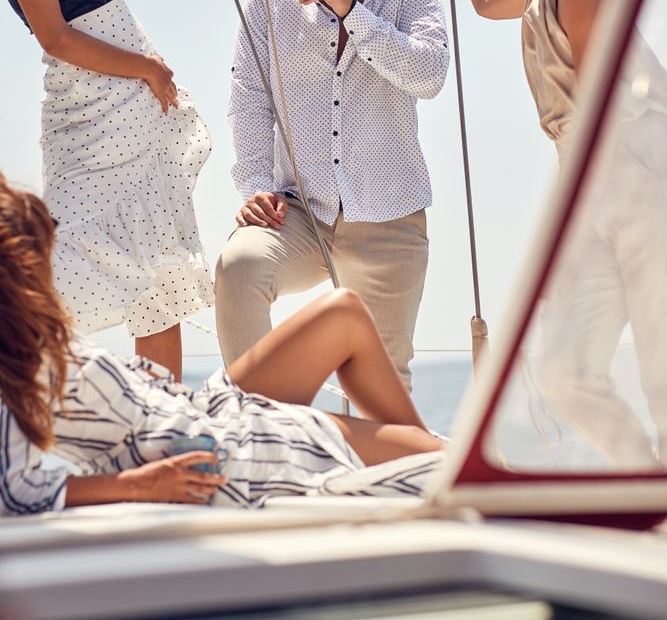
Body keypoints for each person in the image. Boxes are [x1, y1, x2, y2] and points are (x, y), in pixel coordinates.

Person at [431, 0, 666, 467]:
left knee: (661, 375)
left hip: (641, 189)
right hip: (595, 196)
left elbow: (605, 115)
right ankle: (645, 483)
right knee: (564, 373)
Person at [0, 174, 443, 516]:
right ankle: (435, 462)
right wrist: (143, 485)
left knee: (343, 313)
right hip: (209, 443)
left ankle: (419, 451)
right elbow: (13, 490)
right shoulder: (15, 360)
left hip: (201, 408)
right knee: (437, 460)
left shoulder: (26, 337)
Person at [0, 0, 213, 380]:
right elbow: (55, 36)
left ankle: (165, 421)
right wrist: (146, 67)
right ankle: (23, 406)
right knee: (69, 265)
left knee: (159, 269)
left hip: (136, 105)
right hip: (89, 107)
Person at [216, 0, 449, 389]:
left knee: (381, 386)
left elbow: (429, 74)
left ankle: (375, 464)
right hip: (299, 209)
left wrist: (351, 11)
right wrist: (255, 185)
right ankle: (268, 428)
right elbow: (250, 94)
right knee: (240, 267)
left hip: (390, 215)